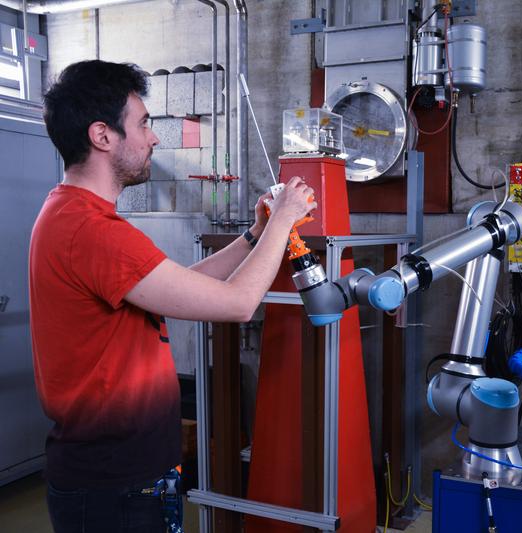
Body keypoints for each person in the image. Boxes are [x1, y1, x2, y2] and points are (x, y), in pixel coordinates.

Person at [29, 60, 316, 533]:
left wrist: (254, 235)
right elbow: (239, 304)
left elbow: (181, 286)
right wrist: (283, 220)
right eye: (143, 124)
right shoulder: (92, 231)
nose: (154, 138)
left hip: (126, 474)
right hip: (114, 484)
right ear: (102, 136)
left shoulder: (72, 215)